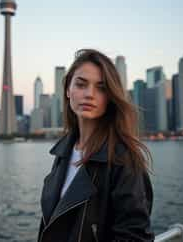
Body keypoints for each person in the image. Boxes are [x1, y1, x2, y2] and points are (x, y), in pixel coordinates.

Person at [38, 49, 155, 242]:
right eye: (81, 84)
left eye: (101, 88)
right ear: (68, 90)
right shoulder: (62, 153)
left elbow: (135, 237)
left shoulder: (124, 160)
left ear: (110, 97)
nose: (90, 94)